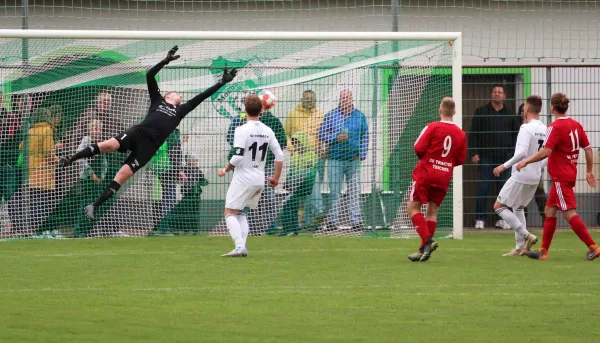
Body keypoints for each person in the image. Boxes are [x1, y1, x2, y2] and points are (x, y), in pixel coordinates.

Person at [59, 46, 237, 219]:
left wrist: (221, 82)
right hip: (138, 133)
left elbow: (202, 96)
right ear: (168, 96)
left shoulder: (182, 110)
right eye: (175, 93)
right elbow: (150, 75)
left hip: (149, 148)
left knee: (122, 175)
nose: (179, 95)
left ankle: (94, 206)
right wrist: (165, 61)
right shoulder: (157, 100)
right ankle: (70, 159)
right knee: (108, 145)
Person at [517, 93, 600, 261]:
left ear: (552, 108)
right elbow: (589, 149)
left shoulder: (555, 127)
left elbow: (545, 152)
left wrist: (526, 161)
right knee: (550, 211)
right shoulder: (576, 125)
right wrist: (589, 171)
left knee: (569, 213)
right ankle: (543, 251)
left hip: (561, 176)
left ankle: (593, 247)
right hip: (566, 174)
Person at [217, 94, 284, 257]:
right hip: (259, 179)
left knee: (229, 212)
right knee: (240, 212)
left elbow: (238, 155)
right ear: (262, 110)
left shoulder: (241, 129)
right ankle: (241, 247)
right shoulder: (268, 130)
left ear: (245, 109)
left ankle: (239, 247)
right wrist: (276, 178)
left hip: (243, 178)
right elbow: (280, 155)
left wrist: (225, 170)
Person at [407, 97, 466, 262]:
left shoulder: (432, 127)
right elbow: (460, 159)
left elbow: (418, 147)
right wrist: (444, 165)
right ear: (454, 112)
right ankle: (422, 250)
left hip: (426, 173)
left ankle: (427, 241)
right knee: (432, 211)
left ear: (440, 110)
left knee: (413, 208)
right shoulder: (461, 134)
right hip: (443, 176)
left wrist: (429, 160)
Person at [492, 95, 546, 256]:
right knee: (518, 207)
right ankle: (519, 247)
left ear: (527, 109)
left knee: (499, 206)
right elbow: (547, 155)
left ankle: (526, 235)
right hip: (535, 176)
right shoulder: (545, 129)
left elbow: (521, 152)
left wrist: (504, 166)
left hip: (521, 174)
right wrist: (536, 167)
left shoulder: (526, 127)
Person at [470, 85, 520, 229]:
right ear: (491, 94)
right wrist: (474, 152)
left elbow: (516, 137)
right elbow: (474, 134)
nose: (497, 94)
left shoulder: (511, 114)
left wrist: (512, 155)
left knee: (504, 190)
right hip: (485, 157)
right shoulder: (481, 112)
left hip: (505, 159)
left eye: (500, 92)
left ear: (504, 95)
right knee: (483, 188)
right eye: (494, 92)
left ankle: (502, 219)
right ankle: (480, 219)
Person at [318, 90, 369, 232]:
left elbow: (365, 135)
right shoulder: (330, 116)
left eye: (347, 98)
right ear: (339, 100)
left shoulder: (359, 116)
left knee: (354, 191)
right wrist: (335, 137)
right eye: (342, 98)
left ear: (351, 99)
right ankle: (332, 221)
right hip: (335, 159)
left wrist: (363, 153)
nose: (345, 100)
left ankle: (356, 221)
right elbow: (322, 134)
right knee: (334, 191)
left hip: (353, 159)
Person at [283, 90, 326, 230]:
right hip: (299, 159)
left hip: (316, 157)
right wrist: (292, 148)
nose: (309, 101)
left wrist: (322, 149)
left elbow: (324, 135)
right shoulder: (293, 115)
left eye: (312, 99)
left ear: (315, 100)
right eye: (307, 99)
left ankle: (308, 221)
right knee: (309, 187)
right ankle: (318, 211)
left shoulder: (320, 116)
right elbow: (286, 134)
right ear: (302, 99)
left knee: (312, 189)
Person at [21, 107, 60, 237]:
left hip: (30, 171)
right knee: (44, 202)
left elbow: (21, 146)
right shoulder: (47, 130)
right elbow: (48, 152)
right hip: (43, 172)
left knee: (34, 202)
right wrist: (58, 161)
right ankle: (42, 230)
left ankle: (34, 229)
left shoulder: (30, 131)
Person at [73, 119, 107, 237]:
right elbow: (80, 157)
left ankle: (91, 230)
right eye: (94, 128)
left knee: (95, 203)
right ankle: (79, 230)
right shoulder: (86, 140)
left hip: (97, 178)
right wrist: (91, 173)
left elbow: (104, 161)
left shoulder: (101, 142)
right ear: (89, 130)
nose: (97, 131)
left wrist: (101, 175)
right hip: (87, 178)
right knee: (85, 203)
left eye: (99, 129)